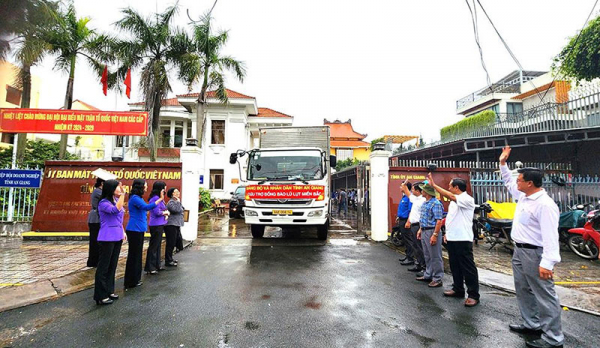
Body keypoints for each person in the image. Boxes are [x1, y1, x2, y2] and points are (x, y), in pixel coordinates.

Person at [500, 146, 563, 348]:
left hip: (536, 254)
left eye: (520, 180)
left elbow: (551, 235)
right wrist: (503, 164)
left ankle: (553, 339)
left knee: (545, 295)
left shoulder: (544, 204)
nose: (516, 182)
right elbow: (508, 181)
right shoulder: (524, 196)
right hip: (520, 251)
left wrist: (548, 263)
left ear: (529, 183)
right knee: (523, 289)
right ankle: (532, 324)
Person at [427, 173, 479, 307]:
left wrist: (434, 185)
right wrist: (447, 234)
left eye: (450, 185)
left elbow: (449, 196)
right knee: (455, 265)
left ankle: (473, 295)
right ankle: (458, 289)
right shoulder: (454, 202)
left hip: (463, 238)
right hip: (453, 237)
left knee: (468, 267)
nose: (448, 187)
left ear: (456, 187)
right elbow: (452, 218)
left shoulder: (466, 199)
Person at [124, 179, 164, 288]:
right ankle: (130, 280)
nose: (146, 187)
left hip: (139, 229)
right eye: (145, 185)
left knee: (137, 255)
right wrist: (160, 199)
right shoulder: (135, 198)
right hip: (134, 229)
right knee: (134, 256)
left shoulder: (138, 198)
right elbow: (146, 207)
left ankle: (135, 279)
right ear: (140, 186)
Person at [94, 180, 125, 305]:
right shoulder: (103, 203)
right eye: (118, 187)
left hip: (117, 236)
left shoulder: (116, 201)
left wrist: (123, 231)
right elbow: (115, 211)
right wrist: (123, 195)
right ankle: (100, 295)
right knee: (104, 267)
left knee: (113, 265)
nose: (120, 189)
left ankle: (109, 290)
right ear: (111, 189)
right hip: (107, 237)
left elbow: (119, 217)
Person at [416, 182, 444, 288]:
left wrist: (435, 234)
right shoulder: (425, 203)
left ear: (426, 192)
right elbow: (424, 218)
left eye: (423, 190)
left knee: (435, 256)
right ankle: (428, 274)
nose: (421, 191)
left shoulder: (435, 203)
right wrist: (420, 229)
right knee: (427, 254)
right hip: (424, 230)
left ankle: (437, 278)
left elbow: (438, 221)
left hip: (432, 231)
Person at [401, 182, 426, 273]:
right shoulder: (416, 199)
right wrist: (404, 185)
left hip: (419, 226)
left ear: (418, 191)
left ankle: (424, 267)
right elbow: (407, 193)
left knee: (420, 247)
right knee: (416, 246)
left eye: (413, 189)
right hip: (414, 225)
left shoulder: (423, 201)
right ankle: (419, 264)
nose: (411, 191)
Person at [146, 181, 169, 274]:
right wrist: (165, 213)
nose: (165, 189)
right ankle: (150, 267)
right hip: (155, 224)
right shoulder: (154, 199)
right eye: (164, 187)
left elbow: (163, 208)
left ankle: (157, 264)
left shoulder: (160, 198)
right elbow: (157, 212)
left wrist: (166, 212)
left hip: (160, 223)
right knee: (154, 246)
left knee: (158, 245)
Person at [86, 178, 104, 267]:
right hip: (95, 219)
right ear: (102, 183)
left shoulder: (99, 191)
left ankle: (96, 260)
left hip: (98, 218)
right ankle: (93, 261)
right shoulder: (98, 191)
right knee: (95, 241)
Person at [165, 188, 184, 267]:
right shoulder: (171, 202)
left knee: (175, 241)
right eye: (176, 192)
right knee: (170, 243)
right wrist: (179, 203)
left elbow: (182, 209)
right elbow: (177, 210)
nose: (178, 193)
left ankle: (170, 258)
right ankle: (168, 260)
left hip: (176, 224)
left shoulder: (176, 201)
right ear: (173, 194)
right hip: (171, 225)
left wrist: (179, 204)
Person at [396, 181, 414, 266]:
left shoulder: (409, 197)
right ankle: (407, 256)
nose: (400, 187)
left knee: (409, 240)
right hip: (402, 219)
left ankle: (410, 258)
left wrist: (408, 221)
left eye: (401, 186)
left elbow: (411, 210)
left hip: (406, 220)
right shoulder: (404, 197)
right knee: (405, 239)